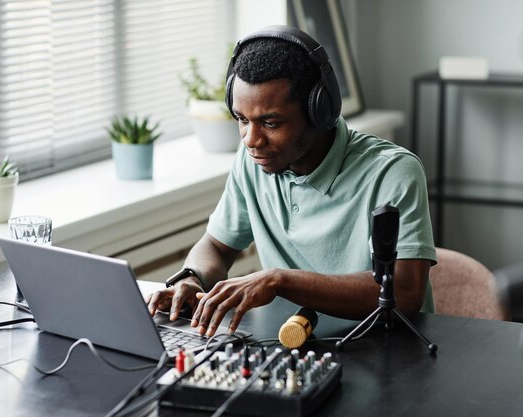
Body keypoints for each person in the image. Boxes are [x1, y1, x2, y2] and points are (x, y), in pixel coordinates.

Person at [146, 25, 436, 338]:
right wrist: (192, 278)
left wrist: (279, 280)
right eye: (242, 120)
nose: (251, 140)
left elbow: (404, 294)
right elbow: (216, 245)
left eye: (270, 123)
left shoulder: (392, 172)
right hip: (293, 344)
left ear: (319, 111)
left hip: (389, 350)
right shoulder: (252, 163)